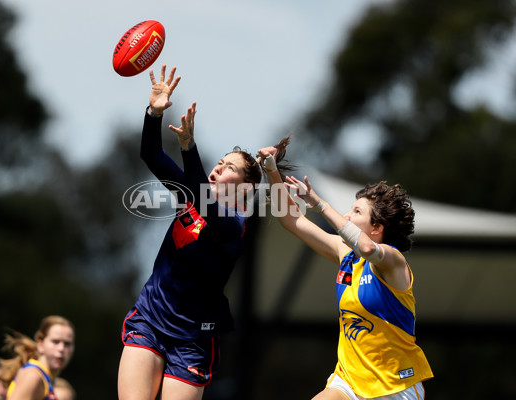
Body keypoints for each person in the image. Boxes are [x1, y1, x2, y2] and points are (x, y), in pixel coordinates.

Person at [117, 64, 292, 400]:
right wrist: (153, 113)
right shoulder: (193, 193)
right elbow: (151, 154)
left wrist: (188, 147)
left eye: (228, 169)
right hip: (150, 319)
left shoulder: (235, 225)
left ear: (245, 188)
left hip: (193, 338)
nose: (217, 169)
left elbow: (203, 198)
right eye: (219, 163)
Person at [256, 147, 433, 400]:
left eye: (357, 212)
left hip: (395, 385)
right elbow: (290, 219)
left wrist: (322, 206)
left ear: (376, 228)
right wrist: (272, 170)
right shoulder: (345, 253)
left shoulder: (393, 261)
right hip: (349, 380)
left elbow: (367, 248)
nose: (347, 216)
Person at [0, 315, 75, 400]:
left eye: (67, 344)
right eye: (55, 342)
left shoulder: (45, 378)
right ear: (40, 344)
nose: (61, 349)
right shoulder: (33, 375)